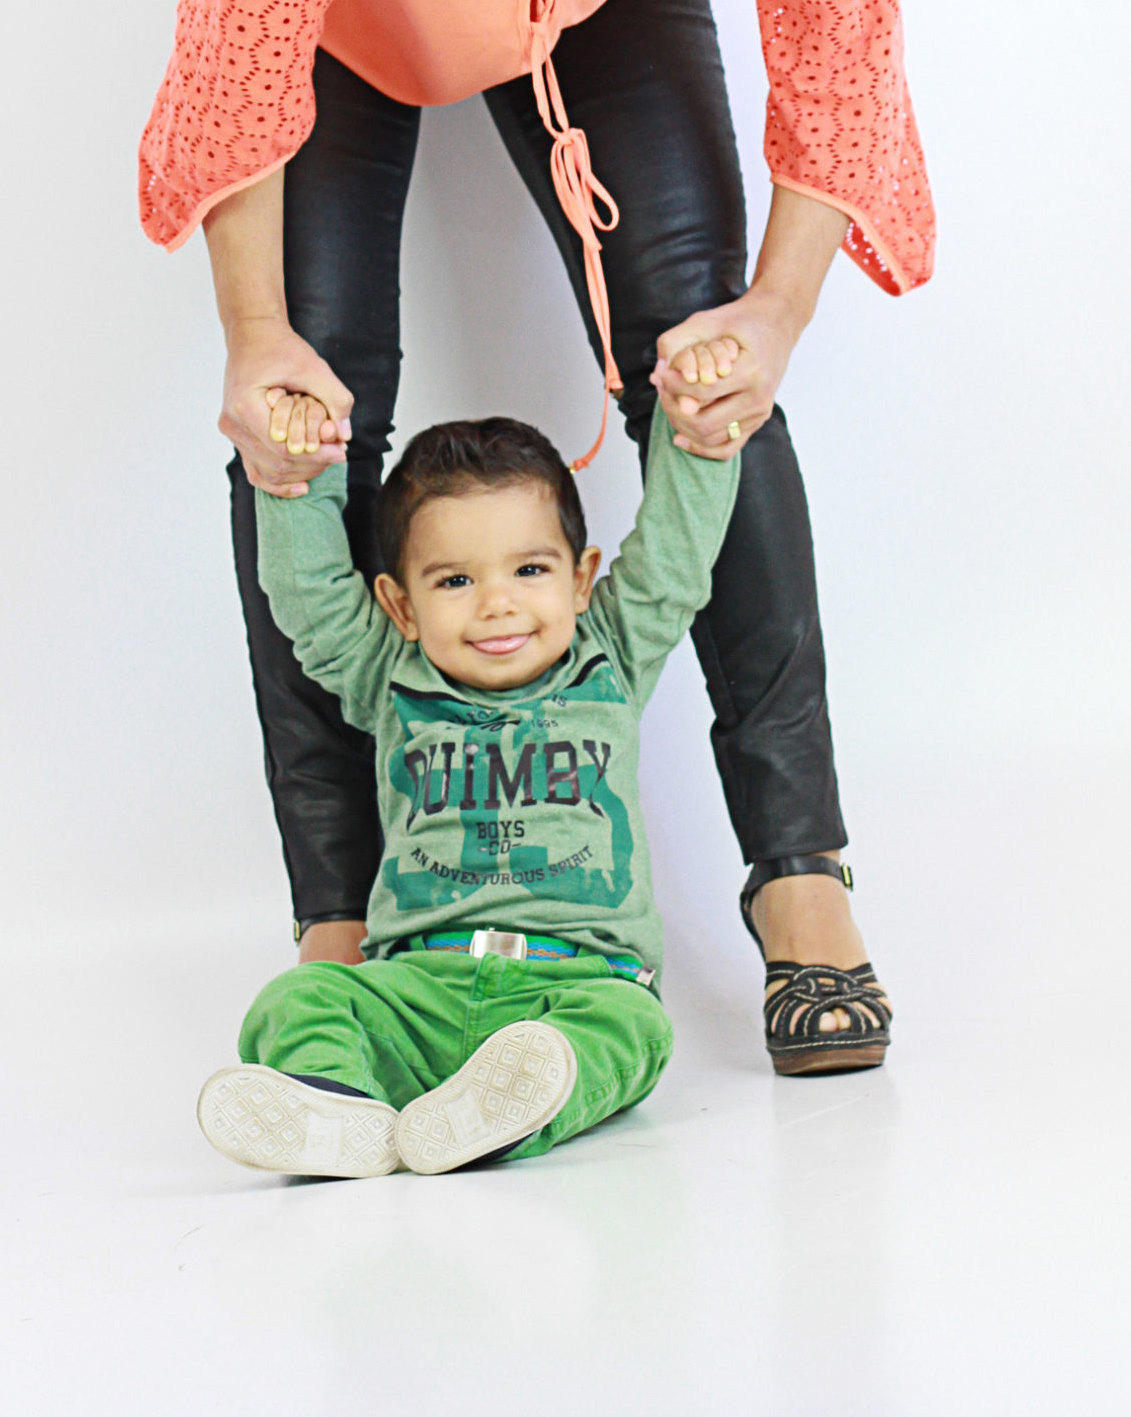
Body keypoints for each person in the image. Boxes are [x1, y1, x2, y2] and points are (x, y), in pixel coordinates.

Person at [141, 0, 936, 1074]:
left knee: (699, 367)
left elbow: (839, 44)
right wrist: (254, 335)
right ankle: (345, 919)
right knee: (304, 410)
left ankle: (800, 878)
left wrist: (770, 319)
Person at [200, 397, 754, 1179]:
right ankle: (336, 1108)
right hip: (415, 988)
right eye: (455, 579)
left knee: (636, 1028)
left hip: (578, 987)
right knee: (296, 1001)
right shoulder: (390, 677)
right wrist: (296, 476)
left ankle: (504, 1115)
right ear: (401, 606)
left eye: (530, 570)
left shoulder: (611, 656)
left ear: (580, 579)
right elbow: (308, 595)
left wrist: (698, 434)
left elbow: (674, 558)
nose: (497, 603)